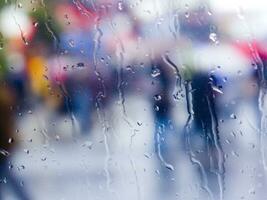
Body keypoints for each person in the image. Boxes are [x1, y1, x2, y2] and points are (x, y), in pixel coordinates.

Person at [0, 84, 31, 200]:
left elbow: (7, 127)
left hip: (2, 147)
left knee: (10, 179)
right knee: (10, 179)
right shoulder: (5, 97)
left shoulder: (3, 100)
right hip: (4, 146)